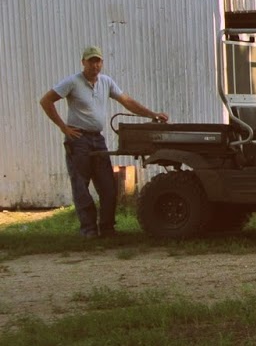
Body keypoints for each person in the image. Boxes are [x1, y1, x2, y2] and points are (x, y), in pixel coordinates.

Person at [39, 46, 168, 237]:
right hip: (78, 140)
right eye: (91, 61)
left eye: (98, 61)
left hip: (97, 138)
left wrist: (152, 114)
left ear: (102, 63)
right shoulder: (73, 82)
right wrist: (63, 127)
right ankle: (89, 230)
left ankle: (107, 228)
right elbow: (46, 101)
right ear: (83, 62)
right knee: (81, 186)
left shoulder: (106, 82)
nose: (95, 65)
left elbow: (127, 101)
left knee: (108, 186)